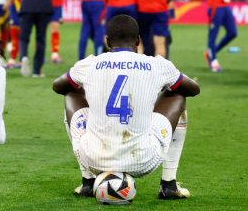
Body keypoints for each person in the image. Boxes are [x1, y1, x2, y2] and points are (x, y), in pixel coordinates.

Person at [52, 15, 198, 200]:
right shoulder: (158, 65)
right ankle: (168, 184)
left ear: (107, 41)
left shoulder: (89, 64)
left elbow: (57, 86)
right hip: (143, 160)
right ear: (138, 41)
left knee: (71, 92)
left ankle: (88, 182)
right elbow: (194, 89)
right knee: (178, 94)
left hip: (93, 159)